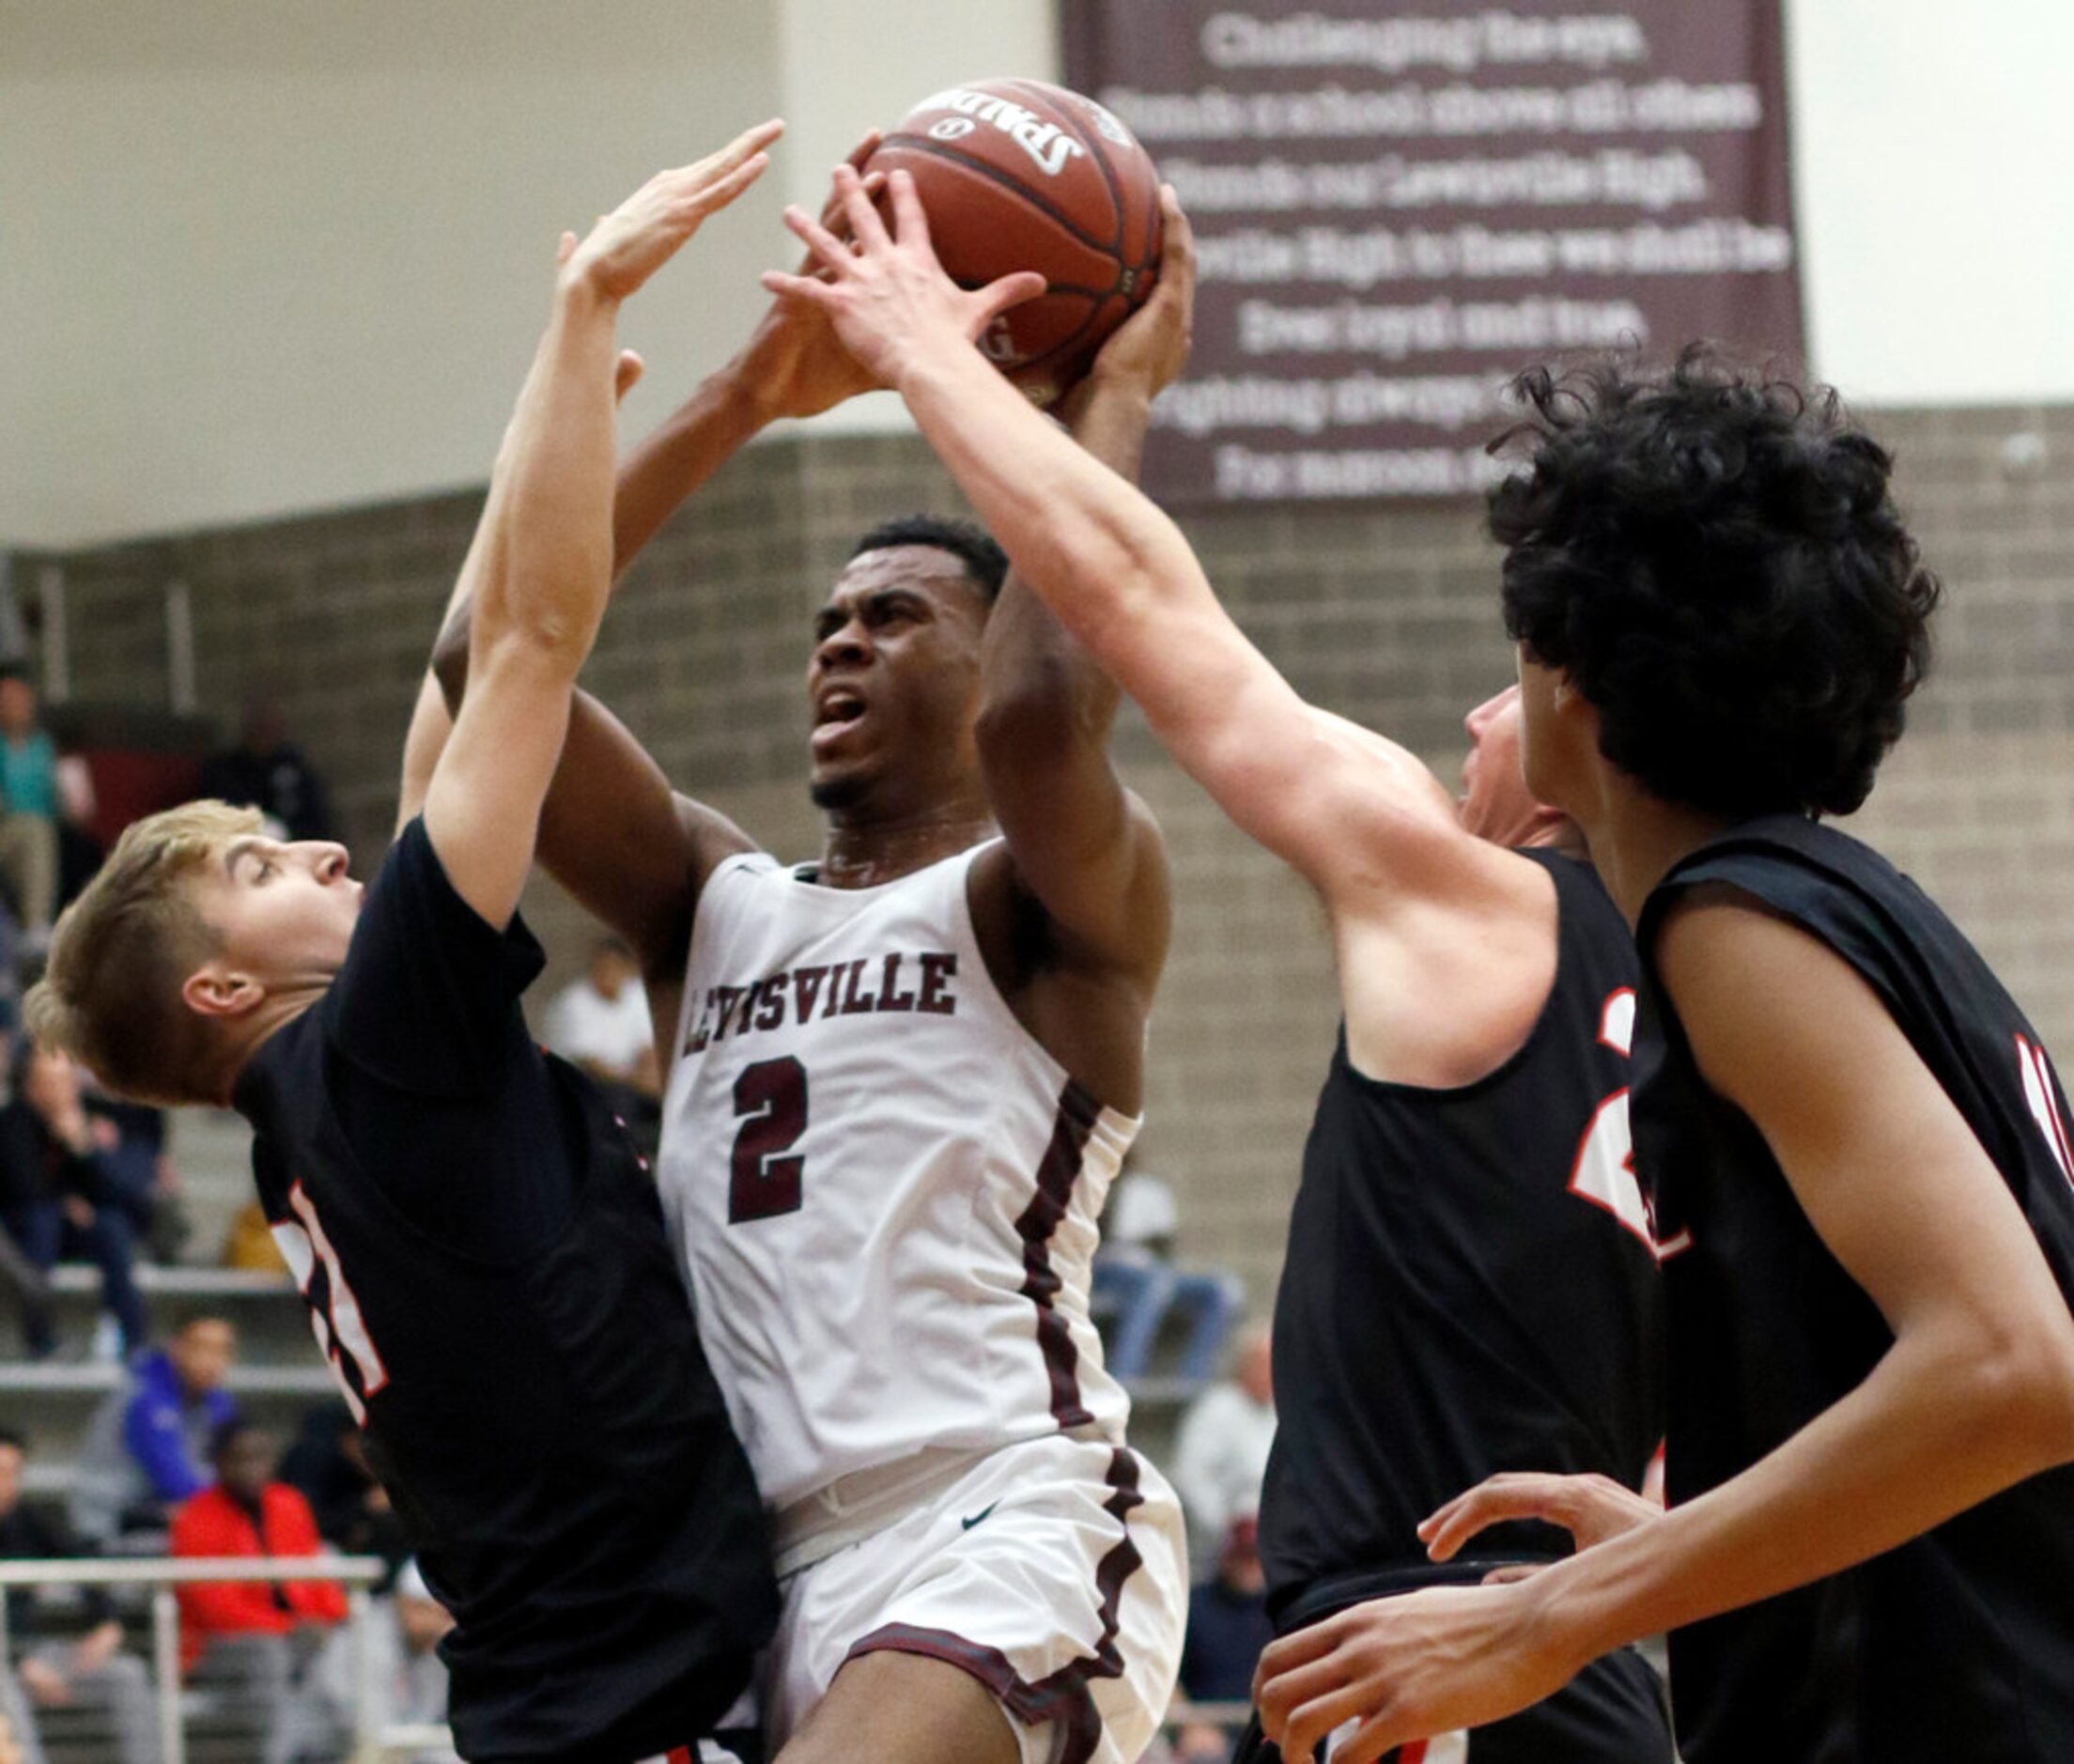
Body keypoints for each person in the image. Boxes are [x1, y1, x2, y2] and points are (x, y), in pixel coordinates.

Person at [764, 170, 1673, 1761]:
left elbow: (1141, 613)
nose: (1458, 721)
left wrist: (944, 365)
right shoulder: (1706, 992)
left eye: (1488, 695)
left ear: (1565, 730)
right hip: (1558, 1655)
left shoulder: (1472, 914)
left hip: (1426, 1655)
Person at [24, 130, 786, 1763]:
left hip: (581, 1694)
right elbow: (522, 644)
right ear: (223, 984)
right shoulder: (375, 1052)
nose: (313, 844)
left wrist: (691, 397)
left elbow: (454, 677)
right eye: (254, 861)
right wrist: (582, 314)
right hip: (636, 1708)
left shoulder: (329, 1098)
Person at [430, 139, 1188, 1764]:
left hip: (997, 1497)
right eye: (827, 620)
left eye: (898, 613)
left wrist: (1096, 411)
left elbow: (1053, 714)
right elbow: (485, 658)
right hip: (746, 1574)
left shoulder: (1040, 902)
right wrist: (739, 396)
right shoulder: (712, 897)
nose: (843, 635)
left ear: (991, 656)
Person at [1249, 354, 2074, 1762]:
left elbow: (2014, 1367)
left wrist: (1547, 1618)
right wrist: (1693, 1540)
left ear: (1574, 669)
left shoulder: (1731, 921)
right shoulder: (1851, 909)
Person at [171, 1421, 348, 1764]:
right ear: (219, 1462)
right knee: (268, 1653)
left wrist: (331, 1618)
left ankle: (335, 1752)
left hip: (300, 1638)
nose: (251, 1468)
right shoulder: (195, 1516)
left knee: (344, 1645)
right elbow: (215, 1610)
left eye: (260, 1458)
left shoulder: (290, 1503)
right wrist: (288, 1627)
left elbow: (317, 1576)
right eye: (240, 1458)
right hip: (220, 1650)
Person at [0, 1428, 162, 1764]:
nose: (5, 1483)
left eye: (12, 1473)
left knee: (126, 1673)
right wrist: (20, 1662)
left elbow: (84, 1564)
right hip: (9, 1662)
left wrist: (106, 1624)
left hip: (33, 1653)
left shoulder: (30, 1522)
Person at [0, 1041, 148, 1359]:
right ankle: (39, 1338)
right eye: (50, 1082)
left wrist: (81, 1146)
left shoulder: (84, 1122)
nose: (60, 1091)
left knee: (112, 1226)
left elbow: (114, 1196)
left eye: (65, 1082)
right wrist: (66, 1201)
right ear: (30, 1085)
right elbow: (25, 1190)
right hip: (20, 1231)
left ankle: (133, 1338)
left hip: (67, 1227)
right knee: (41, 1219)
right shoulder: (13, 1123)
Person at [70, 1311, 238, 1545]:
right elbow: (172, 1479)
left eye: (222, 1351)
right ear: (176, 1348)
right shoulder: (145, 1395)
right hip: (112, 1521)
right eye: (202, 1347)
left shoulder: (219, 1402)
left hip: (166, 1515)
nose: (211, 1361)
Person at [1091, 1157, 1241, 1384]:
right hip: (1105, 1269)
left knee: (1221, 1289)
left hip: (1151, 1269)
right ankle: (1123, 1377)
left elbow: (1163, 1245)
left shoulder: (1149, 1189)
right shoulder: (1095, 1183)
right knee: (1153, 1283)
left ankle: (1191, 1379)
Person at [1168, 1324, 1276, 1572]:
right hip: (1225, 1536)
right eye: (1262, 1364)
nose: (1269, 1373)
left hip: (1277, 1533)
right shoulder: (1215, 1408)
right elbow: (1192, 1476)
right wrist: (1225, 1527)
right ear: (1244, 1366)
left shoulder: (1282, 1410)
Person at [197, 697, 336, 844]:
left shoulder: (295, 766)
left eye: (271, 727)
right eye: (260, 728)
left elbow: (315, 816)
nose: (265, 735)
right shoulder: (226, 770)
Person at [0, 667, 58, 946]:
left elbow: (53, 801)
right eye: (8, 700)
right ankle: (36, 926)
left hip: (38, 828)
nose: (16, 707)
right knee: (35, 830)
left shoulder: (42, 746)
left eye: (21, 700)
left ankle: (39, 930)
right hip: (7, 829)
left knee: (41, 831)